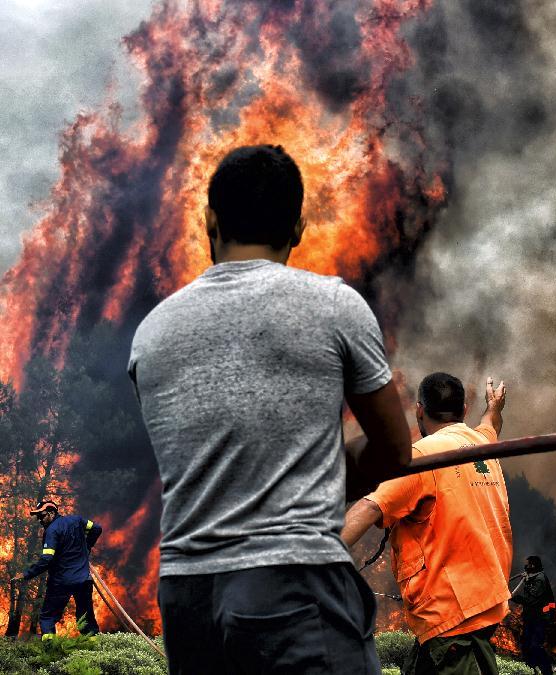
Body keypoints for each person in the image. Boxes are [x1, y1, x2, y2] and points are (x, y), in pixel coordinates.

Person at [128, 144, 412, 675]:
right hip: (293, 584)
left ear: (209, 220)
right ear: (299, 226)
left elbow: (208, 460)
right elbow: (396, 451)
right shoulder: (333, 306)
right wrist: (328, 469)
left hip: (186, 597)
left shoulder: (152, 333)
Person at [342, 373, 510, 675]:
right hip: (483, 602)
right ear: (463, 411)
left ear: (420, 410)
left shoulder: (421, 456)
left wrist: (315, 558)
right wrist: (493, 406)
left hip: (451, 614)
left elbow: (370, 507)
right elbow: (490, 424)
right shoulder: (481, 443)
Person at [11, 500, 102, 638]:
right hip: (83, 580)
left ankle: (50, 649)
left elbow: (47, 559)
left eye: (42, 516)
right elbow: (96, 529)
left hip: (61, 582)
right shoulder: (77, 520)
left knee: (47, 617)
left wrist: (26, 575)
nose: (40, 520)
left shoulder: (52, 531)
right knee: (86, 619)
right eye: (38, 517)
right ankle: (94, 651)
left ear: (52, 513)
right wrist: (87, 547)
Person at [510, 555, 556, 675]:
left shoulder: (540, 579)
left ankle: (547, 671)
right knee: (526, 644)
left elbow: (531, 600)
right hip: (531, 618)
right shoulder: (533, 577)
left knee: (536, 645)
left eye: (529, 564)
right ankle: (532, 669)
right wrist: (528, 579)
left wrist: (514, 597)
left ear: (535, 566)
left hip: (540, 618)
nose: (527, 566)